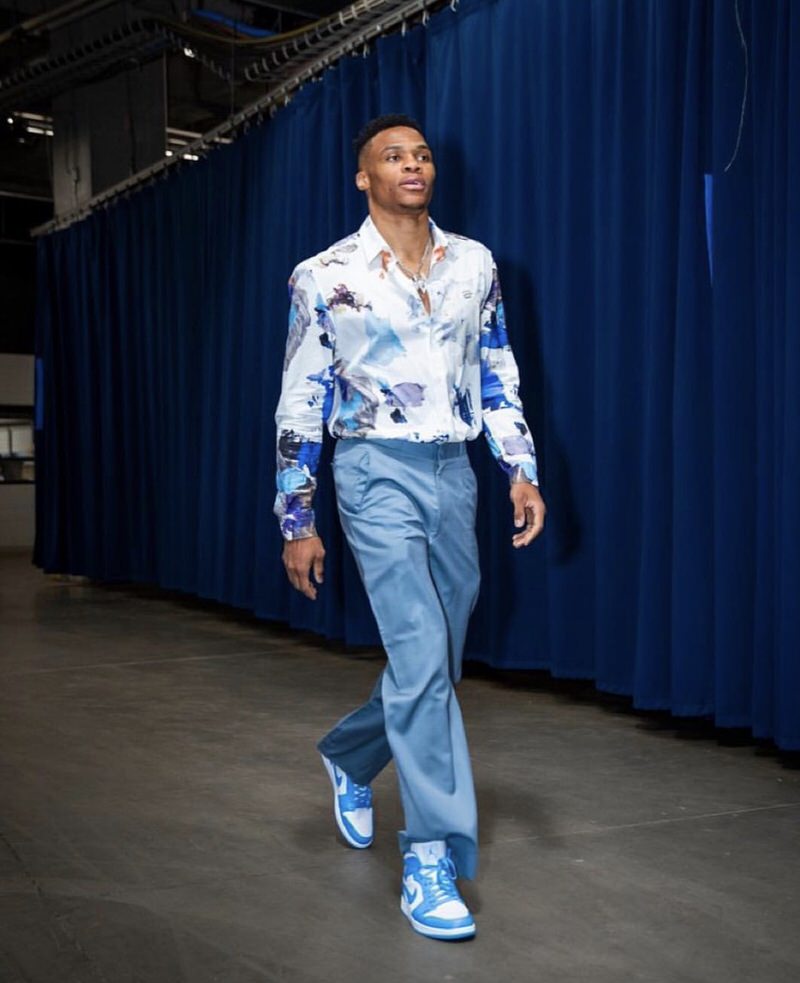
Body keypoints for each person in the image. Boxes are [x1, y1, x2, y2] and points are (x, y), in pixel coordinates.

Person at [274, 114, 545, 941]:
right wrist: (298, 513)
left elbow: (497, 370)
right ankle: (430, 854)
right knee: (422, 656)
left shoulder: (475, 264)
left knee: (440, 653)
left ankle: (353, 753)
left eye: (422, 154)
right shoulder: (324, 275)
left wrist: (520, 466)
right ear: (364, 177)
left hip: (453, 471)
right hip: (371, 471)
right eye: (394, 156)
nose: (413, 164)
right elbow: (302, 397)